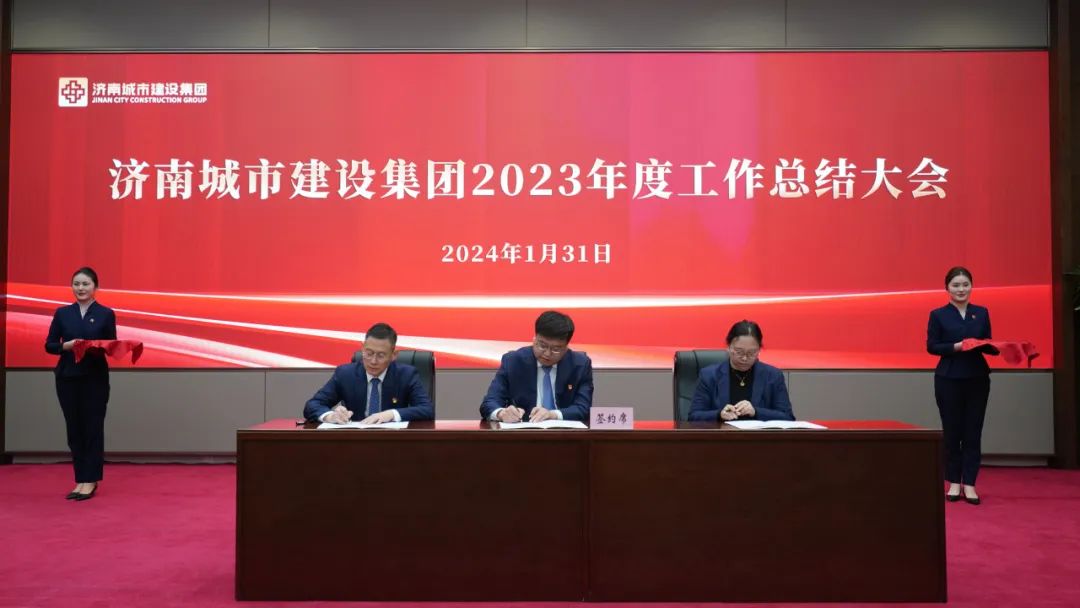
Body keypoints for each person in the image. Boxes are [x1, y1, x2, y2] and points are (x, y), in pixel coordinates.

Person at [45, 267, 117, 501]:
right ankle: (80, 479)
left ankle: (91, 480)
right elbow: (50, 345)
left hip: (94, 379)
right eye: (76, 284)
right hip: (67, 377)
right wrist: (66, 346)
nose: (80, 288)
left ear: (95, 287)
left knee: (92, 428)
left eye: (85, 284)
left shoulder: (106, 314)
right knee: (74, 429)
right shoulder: (62, 313)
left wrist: (94, 346)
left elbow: (111, 345)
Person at [927, 266, 991, 505]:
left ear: (971, 286)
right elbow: (932, 346)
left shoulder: (981, 313)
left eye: (965, 284)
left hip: (977, 377)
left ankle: (970, 484)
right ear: (947, 288)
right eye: (956, 285)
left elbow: (986, 342)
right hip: (949, 378)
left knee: (973, 431)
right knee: (952, 431)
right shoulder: (938, 314)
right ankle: (954, 481)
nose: (961, 289)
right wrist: (957, 346)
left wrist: (1003, 349)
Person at [304, 322, 433, 424]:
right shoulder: (345, 374)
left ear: (393, 355)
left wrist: (391, 414)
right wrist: (330, 416)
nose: (373, 361)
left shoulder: (406, 375)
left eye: (381, 355)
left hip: (392, 442)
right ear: (362, 348)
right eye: (369, 353)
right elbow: (312, 405)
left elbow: (427, 409)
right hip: (355, 441)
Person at [480, 310, 593, 423]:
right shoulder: (513, 361)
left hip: (565, 432)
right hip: (524, 431)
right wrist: (501, 413)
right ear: (534, 340)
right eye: (542, 346)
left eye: (556, 349)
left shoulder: (580, 365)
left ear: (566, 348)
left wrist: (552, 414)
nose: (547, 353)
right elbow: (489, 403)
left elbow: (583, 408)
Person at [688, 320, 794, 422]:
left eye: (751, 353)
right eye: (739, 352)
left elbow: (788, 417)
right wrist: (719, 414)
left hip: (758, 435)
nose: (744, 358)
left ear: (759, 350)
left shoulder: (773, 376)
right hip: (722, 434)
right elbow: (693, 416)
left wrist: (756, 412)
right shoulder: (709, 376)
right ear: (728, 348)